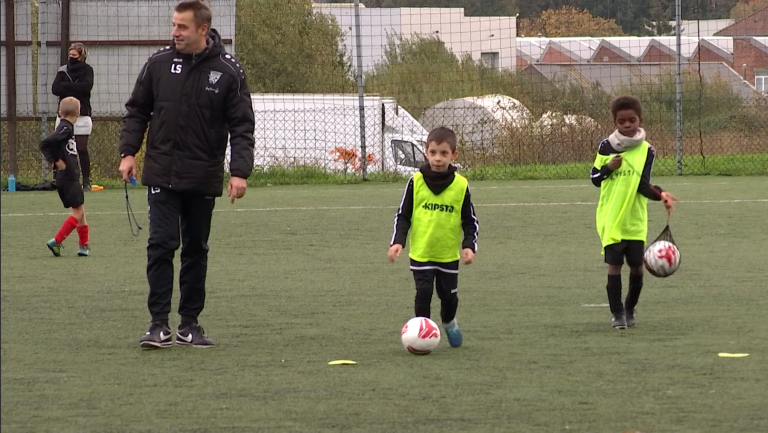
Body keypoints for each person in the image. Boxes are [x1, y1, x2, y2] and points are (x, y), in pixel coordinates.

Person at [118, 0, 255, 349]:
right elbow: (137, 111)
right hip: (161, 173)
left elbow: (242, 126)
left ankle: (189, 325)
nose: (174, 32)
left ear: (202, 31)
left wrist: (239, 172)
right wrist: (128, 152)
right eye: (174, 25)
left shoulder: (228, 71)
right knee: (161, 245)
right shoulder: (158, 64)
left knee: (196, 248)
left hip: (203, 175)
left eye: (181, 27)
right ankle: (158, 325)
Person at [591, 96, 679, 329]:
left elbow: (643, 185)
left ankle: (630, 308)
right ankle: (617, 314)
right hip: (611, 217)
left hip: (635, 219)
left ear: (640, 120)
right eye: (622, 122)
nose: (627, 125)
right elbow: (595, 179)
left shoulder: (647, 150)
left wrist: (661, 195)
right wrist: (608, 168)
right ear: (615, 122)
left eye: (632, 120)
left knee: (637, 266)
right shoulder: (606, 146)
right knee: (614, 265)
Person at [388, 127, 479, 348]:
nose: (438, 158)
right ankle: (423, 332)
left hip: (447, 255)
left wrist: (469, 245)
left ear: (453, 155)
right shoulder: (415, 182)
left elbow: (469, 220)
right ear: (426, 152)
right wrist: (398, 241)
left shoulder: (461, 185)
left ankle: (448, 322)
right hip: (422, 253)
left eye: (444, 153)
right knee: (424, 292)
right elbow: (403, 215)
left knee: (449, 298)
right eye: (433, 152)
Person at [39, 97, 90, 257]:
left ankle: (84, 246)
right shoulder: (66, 128)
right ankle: (57, 241)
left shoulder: (65, 127)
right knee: (78, 212)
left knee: (81, 210)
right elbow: (45, 143)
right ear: (78, 112)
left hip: (68, 177)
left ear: (60, 112)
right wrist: (56, 161)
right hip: (68, 177)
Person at [52, 42, 94, 191]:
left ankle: (86, 181)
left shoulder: (87, 70)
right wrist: (74, 89)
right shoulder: (63, 70)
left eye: (75, 56)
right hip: (64, 115)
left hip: (81, 115)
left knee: (81, 149)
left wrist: (67, 87)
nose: (72, 58)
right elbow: (55, 88)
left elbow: (86, 87)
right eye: (70, 55)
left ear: (81, 56)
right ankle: (59, 179)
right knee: (60, 146)